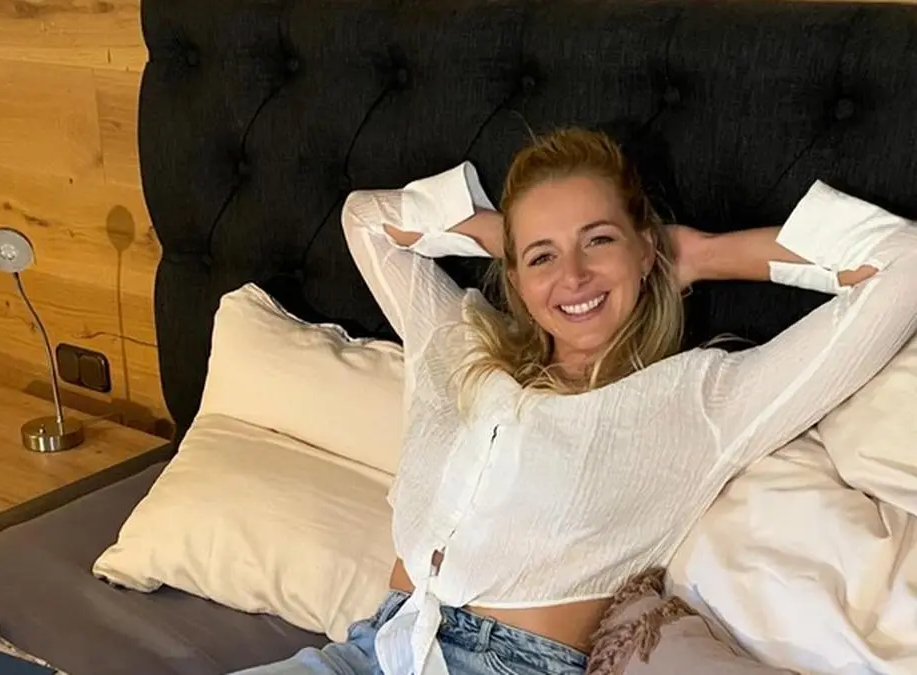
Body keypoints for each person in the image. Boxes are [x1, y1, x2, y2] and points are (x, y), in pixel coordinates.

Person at [230, 128, 917, 675]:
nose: (575, 276)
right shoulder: (459, 345)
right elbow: (368, 219)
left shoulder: (701, 399)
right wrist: (513, 240)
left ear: (644, 249)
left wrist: (700, 254)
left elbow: (904, 264)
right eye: (544, 257)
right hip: (372, 646)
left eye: (599, 241)